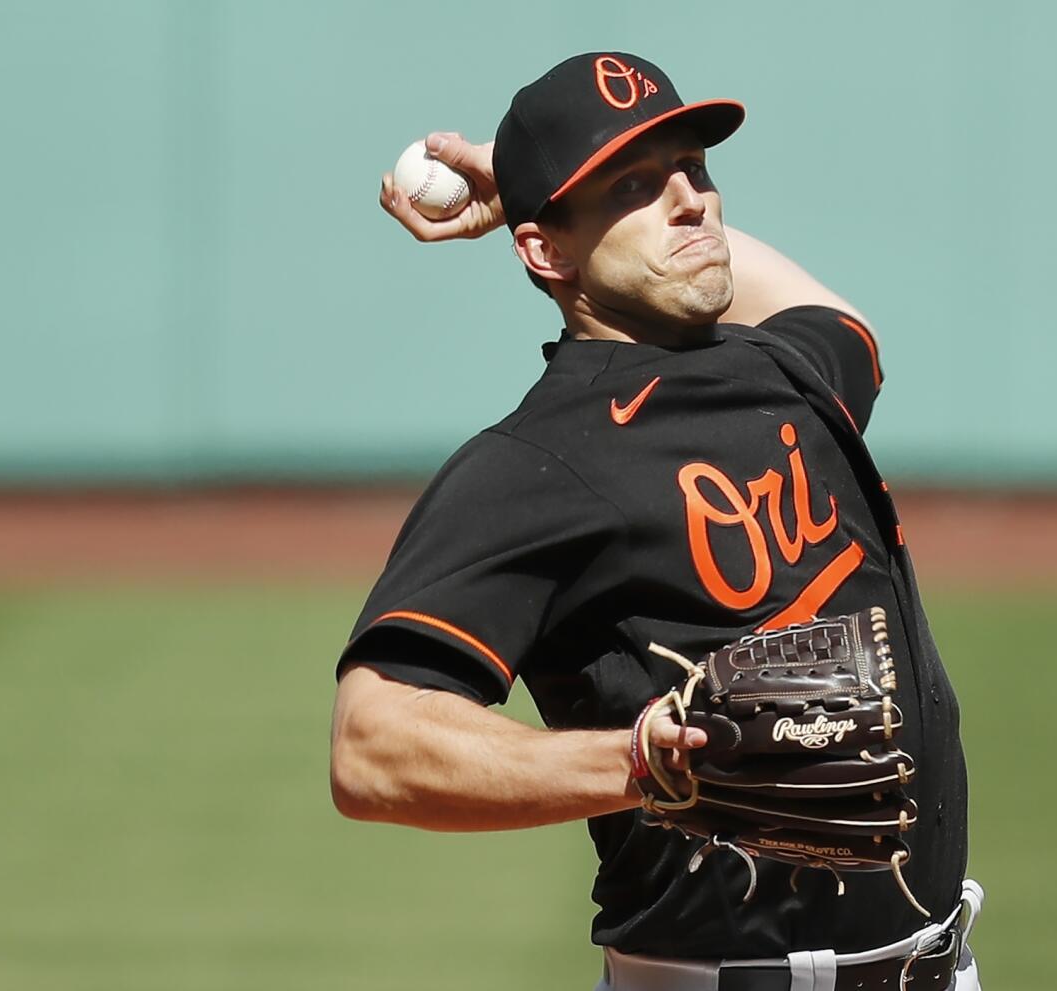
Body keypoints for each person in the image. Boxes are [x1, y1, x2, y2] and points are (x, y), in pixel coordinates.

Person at [330, 52, 982, 991]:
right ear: (546, 250)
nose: (695, 202)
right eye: (635, 184)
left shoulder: (781, 369)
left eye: (696, 170)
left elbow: (840, 321)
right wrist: (635, 761)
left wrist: (518, 178)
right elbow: (371, 744)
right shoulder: (537, 463)